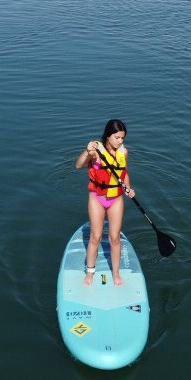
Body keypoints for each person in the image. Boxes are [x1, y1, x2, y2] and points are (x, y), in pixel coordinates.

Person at [74, 120, 135, 287]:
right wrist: (87, 152)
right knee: (96, 236)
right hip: (97, 198)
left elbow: (123, 173)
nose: (120, 141)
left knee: (115, 238)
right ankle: (90, 272)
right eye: (117, 137)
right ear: (108, 136)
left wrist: (128, 188)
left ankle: (115, 273)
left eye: (122, 138)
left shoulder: (124, 152)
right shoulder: (95, 151)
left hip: (115, 199)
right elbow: (78, 165)